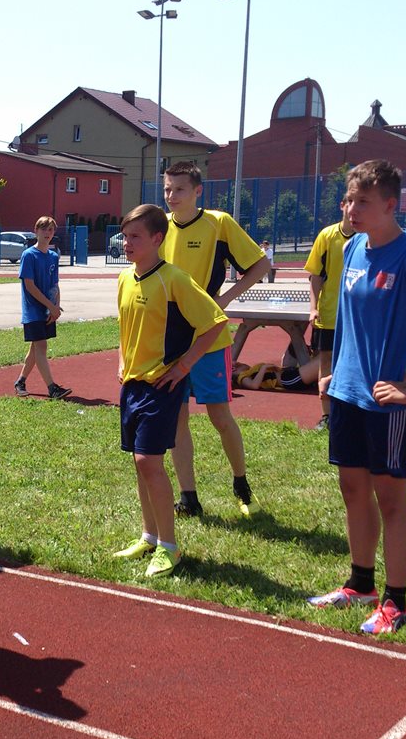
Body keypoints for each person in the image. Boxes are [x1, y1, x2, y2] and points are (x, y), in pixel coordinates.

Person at [306, 160, 406, 635]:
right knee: (352, 489)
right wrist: (333, 372)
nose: (351, 210)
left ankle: (396, 601)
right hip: (347, 392)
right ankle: (361, 584)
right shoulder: (352, 246)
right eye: (348, 200)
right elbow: (346, 320)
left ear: (391, 205)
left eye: (363, 202)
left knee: (390, 498)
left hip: (387, 402)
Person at [112, 204, 230, 578]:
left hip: (162, 385)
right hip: (132, 385)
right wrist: (121, 362)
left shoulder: (174, 279)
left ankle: (169, 547)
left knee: (149, 461)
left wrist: (184, 366)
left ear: (157, 239)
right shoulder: (124, 279)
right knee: (139, 462)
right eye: (125, 236)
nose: (127, 243)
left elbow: (215, 322)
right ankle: (149, 536)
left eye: (135, 236)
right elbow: (125, 327)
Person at [160, 161, 271, 518]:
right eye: (167, 189)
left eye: (179, 189)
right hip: (171, 341)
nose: (171, 195)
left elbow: (260, 265)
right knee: (177, 419)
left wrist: (224, 300)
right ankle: (188, 498)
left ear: (198, 191)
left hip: (210, 338)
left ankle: (241, 484)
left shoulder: (218, 223)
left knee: (219, 416)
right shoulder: (158, 227)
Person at [303, 203, 355, 430]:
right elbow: (315, 275)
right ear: (342, 206)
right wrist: (313, 308)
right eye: (350, 203)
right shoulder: (327, 235)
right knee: (326, 361)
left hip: (356, 316)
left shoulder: (366, 237)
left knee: (354, 362)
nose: (354, 209)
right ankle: (327, 415)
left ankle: (351, 413)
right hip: (329, 313)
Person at [14, 216, 72, 399]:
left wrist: (56, 306)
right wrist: (50, 305)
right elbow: (30, 286)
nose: (47, 233)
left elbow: (55, 285)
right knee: (41, 346)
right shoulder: (29, 255)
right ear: (36, 231)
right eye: (44, 229)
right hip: (33, 311)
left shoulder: (53, 257)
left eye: (51, 229)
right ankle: (52, 388)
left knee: (35, 348)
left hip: (48, 311)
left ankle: (20, 381)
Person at [233, 349, 322, 392]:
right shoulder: (242, 376)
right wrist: (263, 368)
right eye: (239, 363)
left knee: (324, 357)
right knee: (323, 360)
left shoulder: (249, 371)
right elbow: (254, 385)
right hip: (289, 379)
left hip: (289, 374)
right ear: (233, 369)